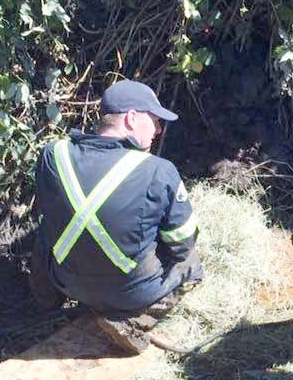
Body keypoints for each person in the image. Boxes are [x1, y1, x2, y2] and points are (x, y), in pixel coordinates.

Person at [29, 79, 203, 353]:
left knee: (43, 229)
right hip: (131, 295)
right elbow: (182, 245)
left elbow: (49, 214)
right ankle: (133, 322)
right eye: (155, 120)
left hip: (65, 282)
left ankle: (45, 303)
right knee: (192, 265)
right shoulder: (159, 170)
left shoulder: (54, 154)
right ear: (132, 118)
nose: (158, 129)